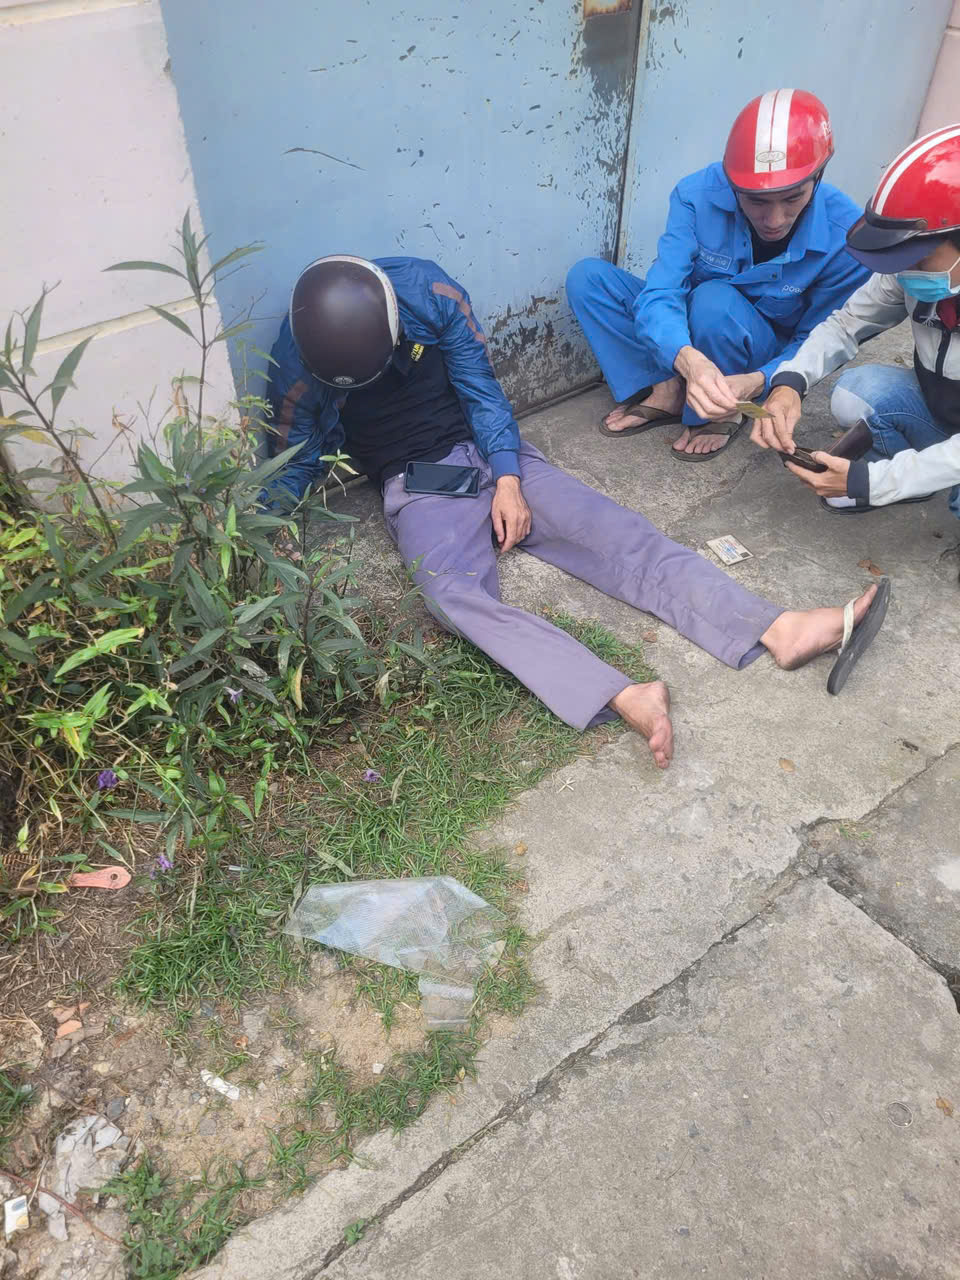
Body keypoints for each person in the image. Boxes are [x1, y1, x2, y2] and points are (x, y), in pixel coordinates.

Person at [263, 254, 886, 769]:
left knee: (619, 535)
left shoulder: (429, 291)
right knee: (451, 594)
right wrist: (267, 537)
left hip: (491, 448)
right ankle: (623, 693)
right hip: (418, 481)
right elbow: (292, 459)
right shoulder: (298, 360)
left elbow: (482, 389)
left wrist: (508, 477)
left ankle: (777, 628)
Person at [565, 89, 868, 460]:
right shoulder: (695, 195)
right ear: (731, 181)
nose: (774, 220)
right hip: (694, 329)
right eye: (756, 200)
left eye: (793, 198)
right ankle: (667, 388)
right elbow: (663, 290)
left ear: (818, 177)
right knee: (588, 280)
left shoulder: (847, 236)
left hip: (755, 352)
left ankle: (720, 411)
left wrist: (763, 381)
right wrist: (685, 358)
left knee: (714, 300)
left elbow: (820, 338)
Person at [750, 124, 960, 522]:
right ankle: (918, 480)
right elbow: (846, 323)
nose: (904, 269)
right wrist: (789, 382)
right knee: (856, 392)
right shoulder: (911, 272)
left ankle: (912, 478)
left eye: (919, 257)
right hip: (943, 410)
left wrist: (872, 482)